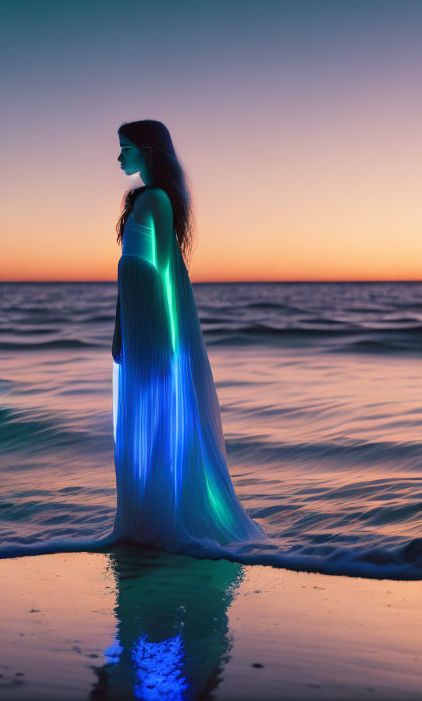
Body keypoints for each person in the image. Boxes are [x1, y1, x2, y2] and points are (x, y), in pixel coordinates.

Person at [111, 120, 265, 550]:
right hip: (138, 323)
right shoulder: (144, 200)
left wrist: (167, 342)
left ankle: (161, 522)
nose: (120, 156)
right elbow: (129, 271)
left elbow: (162, 273)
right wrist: (119, 329)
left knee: (156, 418)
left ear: (148, 151)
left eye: (126, 148)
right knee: (140, 420)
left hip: (154, 327)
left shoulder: (156, 200)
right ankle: (144, 520)